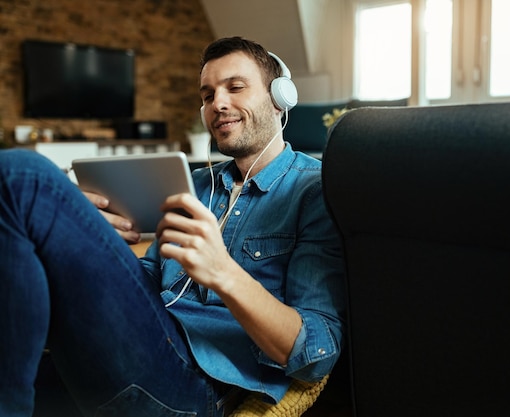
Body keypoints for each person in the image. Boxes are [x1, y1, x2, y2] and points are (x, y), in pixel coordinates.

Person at [0, 36, 346, 417]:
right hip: (143, 345)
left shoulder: (313, 190)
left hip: (197, 387)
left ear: (280, 98)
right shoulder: (194, 185)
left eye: (235, 87)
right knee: (27, 203)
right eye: (208, 94)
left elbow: (318, 353)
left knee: (23, 175)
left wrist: (224, 274)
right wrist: (95, 244)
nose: (218, 104)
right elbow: (147, 282)